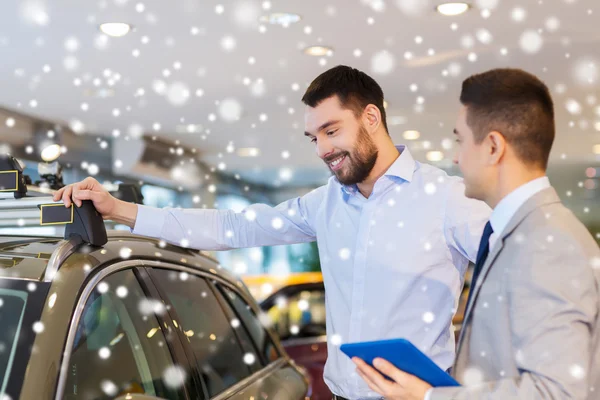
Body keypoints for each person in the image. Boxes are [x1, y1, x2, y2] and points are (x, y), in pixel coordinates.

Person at [54, 65, 491, 400]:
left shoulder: (448, 198)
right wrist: (120, 209)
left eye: (331, 130)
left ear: (372, 117)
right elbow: (232, 226)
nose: (322, 149)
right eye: (313, 137)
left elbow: (516, 283)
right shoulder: (326, 203)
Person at [353, 68, 600, 400]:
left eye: (461, 140)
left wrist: (429, 397)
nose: (456, 157)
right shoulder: (519, 233)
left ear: (493, 147)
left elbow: (556, 392)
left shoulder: (547, 243)